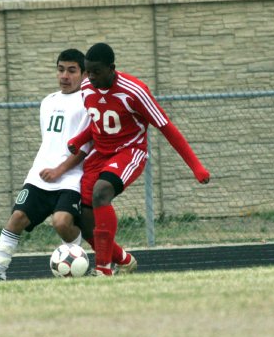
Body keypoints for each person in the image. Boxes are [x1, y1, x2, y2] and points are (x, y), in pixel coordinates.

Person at [68, 42, 210, 276]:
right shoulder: (86, 87)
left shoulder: (135, 91)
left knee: (101, 192)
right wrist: (78, 139)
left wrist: (196, 166)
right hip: (99, 154)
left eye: (96, 72)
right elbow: (98, 124)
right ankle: (123, 260)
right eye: (87, 71)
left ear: (112, 68)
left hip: (129, 151)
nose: (90, 77)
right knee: (84, 217)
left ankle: (103, 269)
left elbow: (167, 128)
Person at [0, 49, 92, 280]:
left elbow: (84, 148)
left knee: (61, 223)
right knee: (17, 218)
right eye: (60, 70)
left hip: (69, 177)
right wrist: (47, 169)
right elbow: (50, 142)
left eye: (71, 70)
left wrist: (59, 170)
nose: (64, 76)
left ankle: (76, 262)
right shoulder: (48, 102)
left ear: (84, 74)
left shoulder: (88, 102)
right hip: (39, 177)